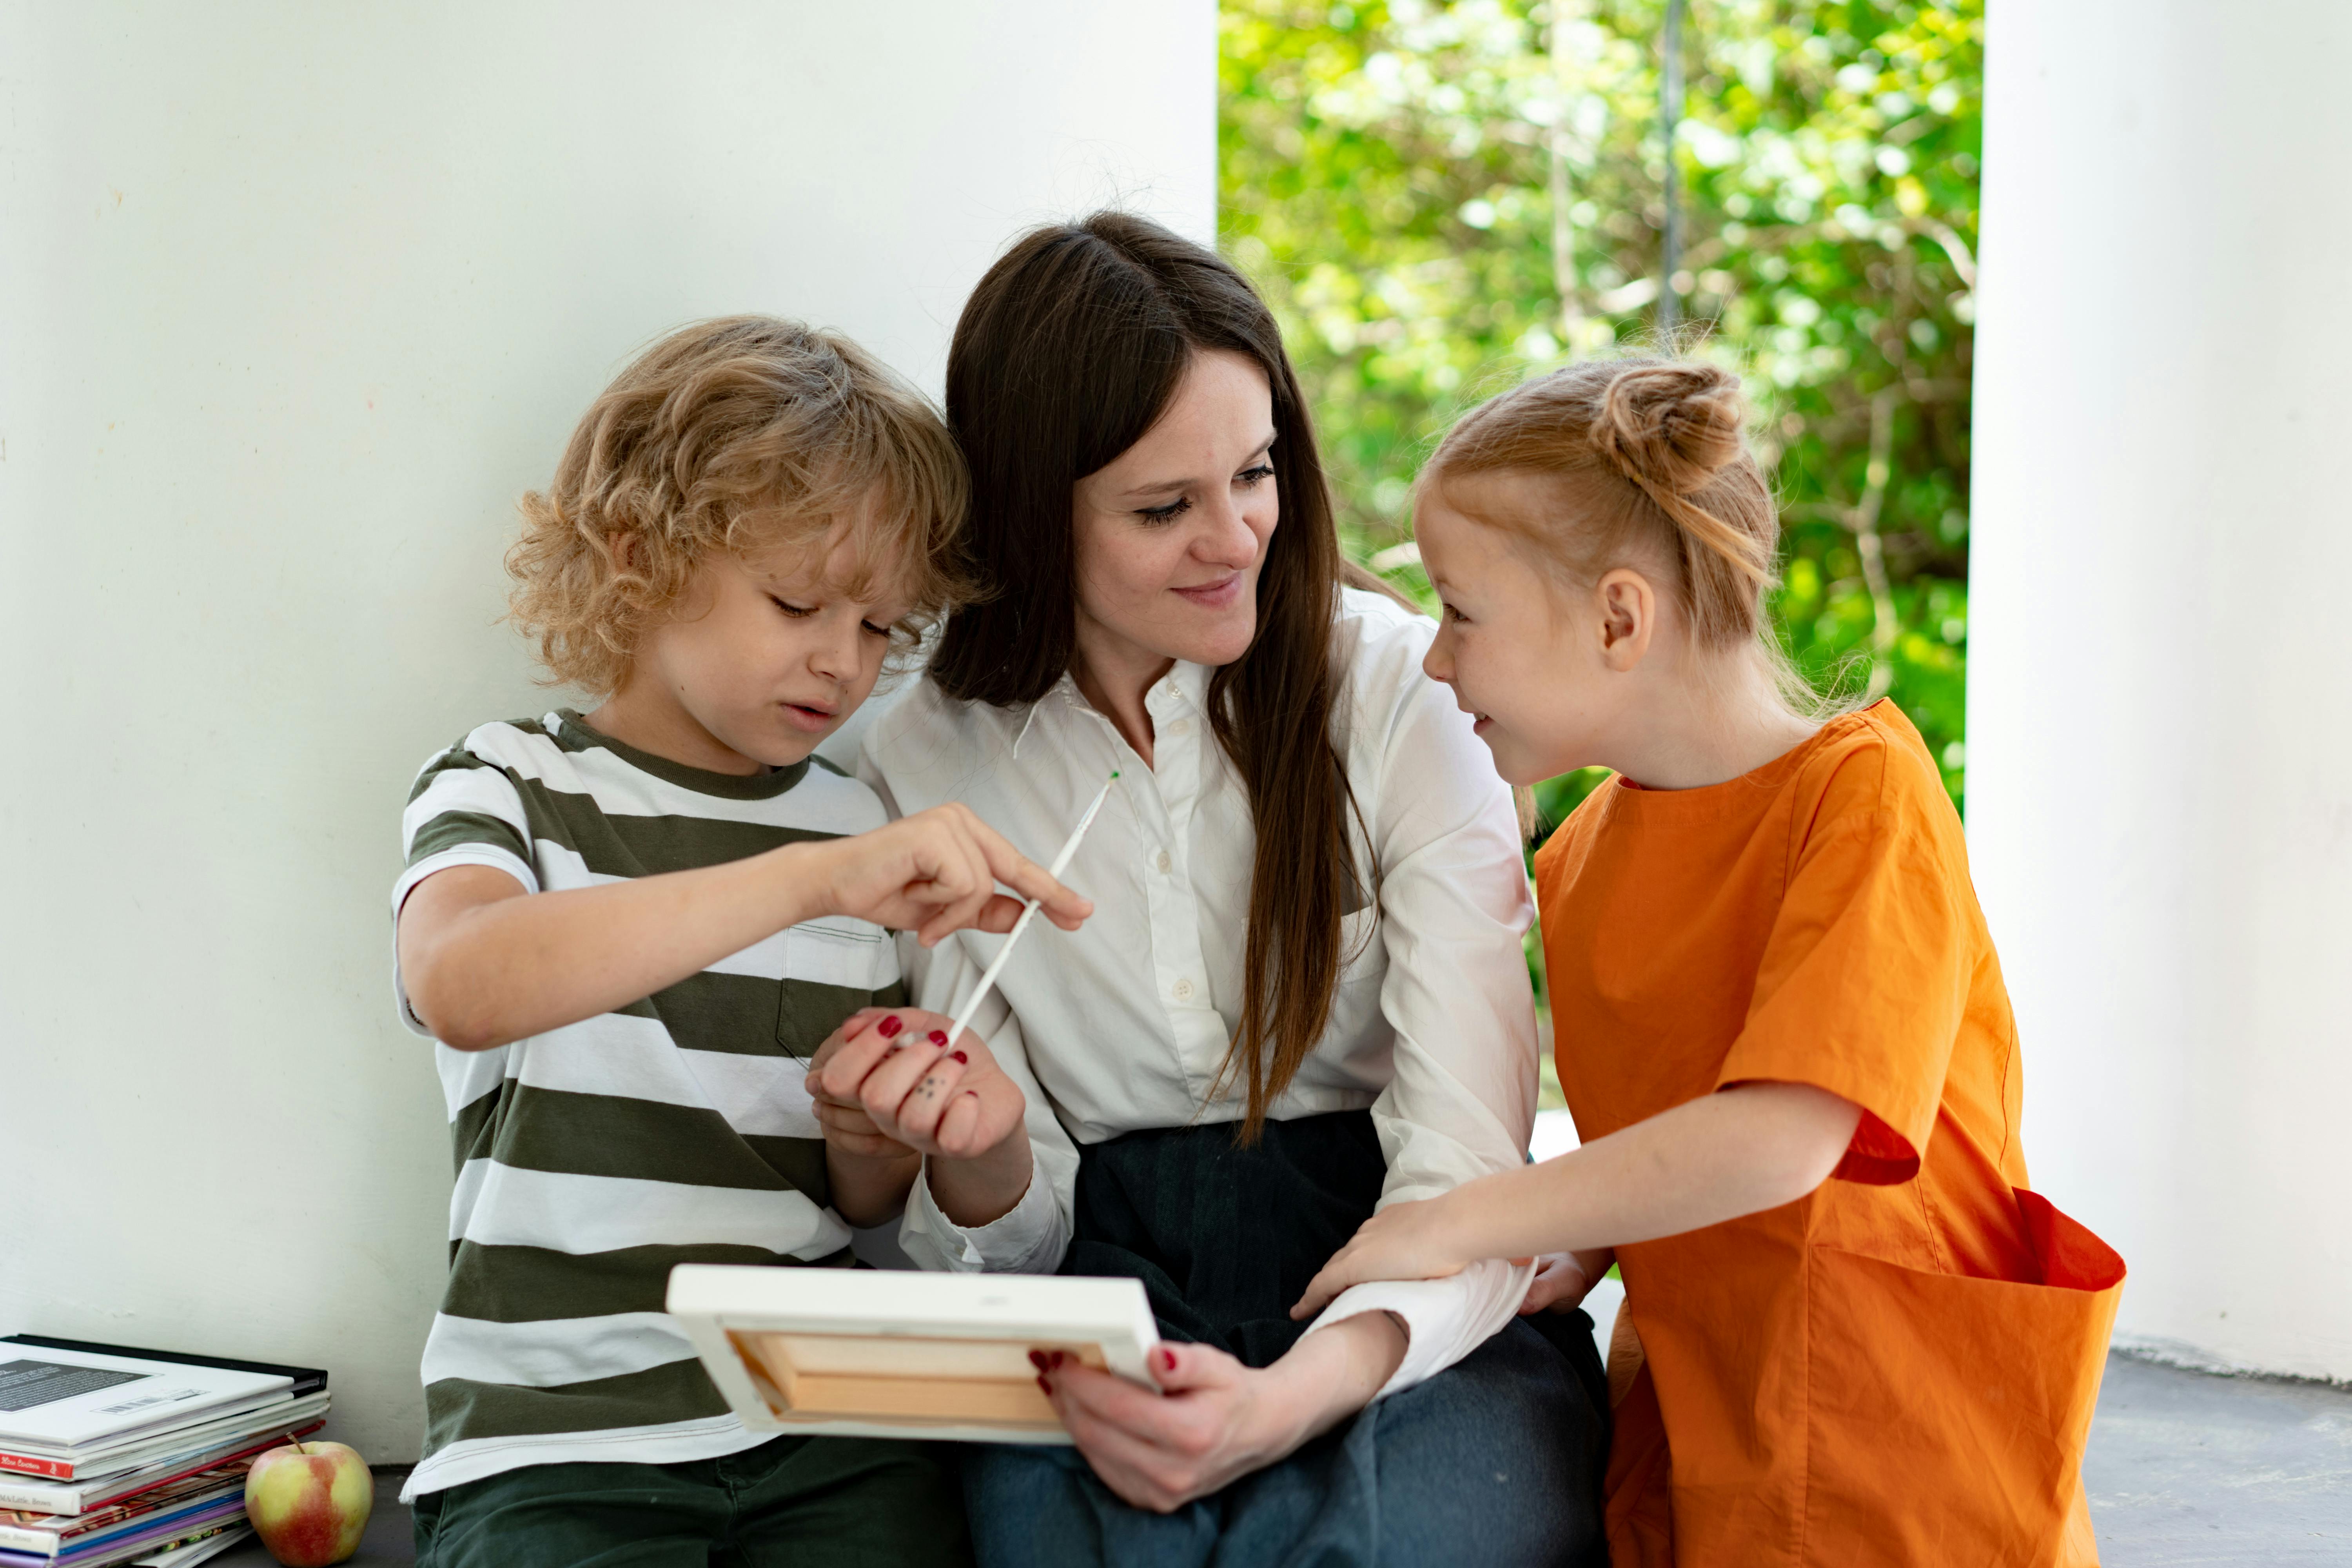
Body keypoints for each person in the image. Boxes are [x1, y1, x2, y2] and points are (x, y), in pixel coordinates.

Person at [806, 214, 1609, 1568]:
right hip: (1096, 1276)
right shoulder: (923, 753)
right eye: (1163, 508)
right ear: (1027, 511)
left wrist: (1288, 1396)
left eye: (1256, 473)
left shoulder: (1404, 695)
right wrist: (980, 1151)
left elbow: (1467, 1159)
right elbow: (1001, 1240)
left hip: (1398, 1265)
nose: (1234, 538)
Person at [1295, 356, 2127, 1566]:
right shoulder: (1578, 862)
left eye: (1461, 613)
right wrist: (1580, 1248)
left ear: (1620, 618)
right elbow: (1666, 1140)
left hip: (1911, 1460)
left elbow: (1785, 1136)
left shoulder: (1864, 800)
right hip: (1708, 1437)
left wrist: (1462, 1222)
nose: (1432, 660)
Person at [389, 316, 1091, 1568]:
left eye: (881, 627)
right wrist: (809, 882)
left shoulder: (856, 821)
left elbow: (851, 1208)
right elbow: (463, 984)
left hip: (823, 1427)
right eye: (798, 602)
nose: (843, 661)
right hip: (558, 1443)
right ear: (637, 556)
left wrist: (894, 1140)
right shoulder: (510, 782)